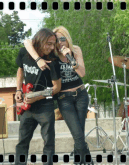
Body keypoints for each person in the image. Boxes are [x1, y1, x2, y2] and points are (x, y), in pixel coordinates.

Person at [24, 26, 93, 164]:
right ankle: (86, 160)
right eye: (57, 40)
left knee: (80, 131)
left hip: (81, 95)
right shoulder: (52, 54)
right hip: (64, 98)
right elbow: (27, 42)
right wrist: (38, 59)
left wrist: (70, 57)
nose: (60, 43)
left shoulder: (76, 50)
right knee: (77, 133)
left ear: (68, 39)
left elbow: (82, 73)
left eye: (63, 39)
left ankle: (80, 161)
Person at [15, 28, 61, 165]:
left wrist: (38, 97)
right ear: (40, 41)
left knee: (48, 141)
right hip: (27, 106)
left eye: (53, 44)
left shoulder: (53, 60)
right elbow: (20, 71)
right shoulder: (25, 52)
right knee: (22, 141)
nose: (52, 47)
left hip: (45, 106)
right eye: (49, 43)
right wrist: (18, 90)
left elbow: (57, 88)